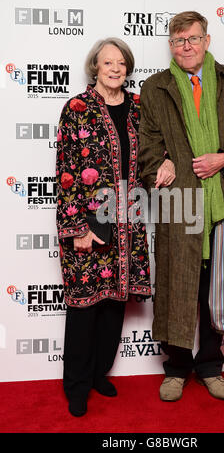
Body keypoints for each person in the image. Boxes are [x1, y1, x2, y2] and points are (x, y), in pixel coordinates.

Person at [139, 11, 224, 402]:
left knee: (218, 287)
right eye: (178, 41)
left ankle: (211, 366)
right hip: (180, 200)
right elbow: (146, 143)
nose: (186, 46)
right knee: (178, 283)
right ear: (171, 46)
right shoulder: (155, 87)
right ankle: (176, 368)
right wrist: (161, 161)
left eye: (192, 38)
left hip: (223, 200)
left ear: (206, 40)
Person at [56, 37, 151, 416]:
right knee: (84, 305)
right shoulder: (77, 108)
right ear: (94, 67)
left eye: (121, 63)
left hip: (128, 219)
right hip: (89, 221)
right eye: (107, 62)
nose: (115, 69)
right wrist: (77, 226)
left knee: (115, 302)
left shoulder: (139, 107)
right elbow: (65, 171)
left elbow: (152, 150)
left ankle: (99, 373)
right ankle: (76, 386)